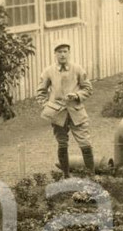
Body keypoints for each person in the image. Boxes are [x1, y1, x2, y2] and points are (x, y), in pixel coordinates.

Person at [36, 41, 94, 177]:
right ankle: (66, 176)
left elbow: (88, 88)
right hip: (58, 114)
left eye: (65, 51)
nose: (62, 55)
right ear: (55, 54)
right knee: (62, 143)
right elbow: (40, 92)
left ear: (69, 53)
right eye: (59, 52)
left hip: (76, 111)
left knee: (85, 142)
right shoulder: (48, 71)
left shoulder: (77, 69)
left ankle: (91, 176)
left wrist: (77, 95)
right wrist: (48, 106)